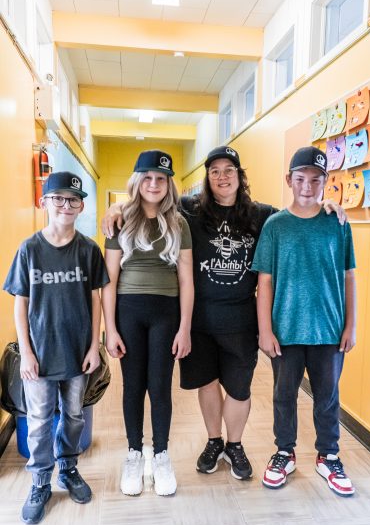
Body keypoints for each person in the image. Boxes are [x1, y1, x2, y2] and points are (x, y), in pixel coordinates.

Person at [102, 145, 345, 482]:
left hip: (241, 319)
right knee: (207, 383)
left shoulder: (262, 215)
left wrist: (328, 205)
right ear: (207, 178)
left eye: (229, 170)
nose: (222, 177)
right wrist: (116, 207)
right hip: (200, 320)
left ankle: (236, 444)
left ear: (239, 176)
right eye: (214, 171)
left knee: (239, 389)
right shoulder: (189, 210)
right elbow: (151, 198)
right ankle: (215, 441)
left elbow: (300, 211)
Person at [3, 171, 109, 525]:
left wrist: (95, 346)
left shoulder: (89, 250)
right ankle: (39, 483)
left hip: (78, 353)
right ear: (44, 201)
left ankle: (69, 469)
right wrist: (27, 354)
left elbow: (96, 301)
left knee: (75, 416)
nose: (66, 205)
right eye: (59, 198)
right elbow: (20, 303)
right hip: (41, 356)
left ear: (81, 207)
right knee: (37, 422)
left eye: (73, 200)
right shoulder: (29, 249)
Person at [252, 146, 356, 497]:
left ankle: (328, 455)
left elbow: (348, 276)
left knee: (327, 396)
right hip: (285, 329)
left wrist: (351, 324)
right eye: (300, 179)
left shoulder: (338, 223)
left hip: (328, 329)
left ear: (327, 182)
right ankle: (284, 451)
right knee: (284, 395)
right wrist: (264, 330)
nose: (308, 187)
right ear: (289, 181)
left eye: (316, 180)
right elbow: (264, 281)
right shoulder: (275, 226)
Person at [102, 149, 193, 497]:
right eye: (148, 177)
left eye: (161, 178)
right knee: (132, 386)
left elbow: (186, 279)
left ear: (169, 184)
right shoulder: (119, 218)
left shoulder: (179, 223)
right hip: (128, 310)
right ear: (137, 181)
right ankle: (134, 454)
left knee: (159, 387)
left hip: (166, 312)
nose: (154, 184)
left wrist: (184, 327)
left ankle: (162, 454)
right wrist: (110, 329)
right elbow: (108, 279)